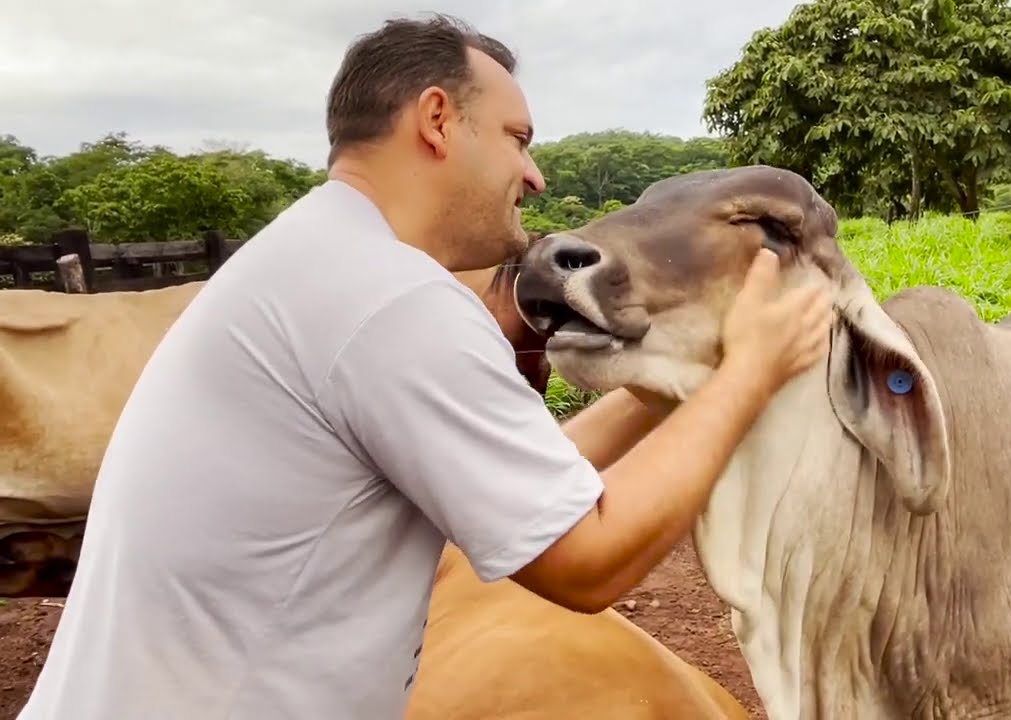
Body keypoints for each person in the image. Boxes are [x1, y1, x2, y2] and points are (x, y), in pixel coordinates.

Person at [17, 13, 833, 720]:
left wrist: (664, 390)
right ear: (438, 119)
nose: (534, 175)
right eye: (519, 140)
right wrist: (748, 377)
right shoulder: (390, 300)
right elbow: (589, 560)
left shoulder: (320, 257)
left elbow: (519, 484)